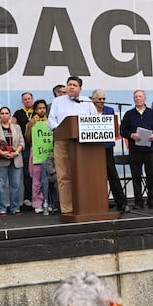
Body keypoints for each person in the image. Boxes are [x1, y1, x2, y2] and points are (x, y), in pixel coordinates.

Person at [47, 76, 97, 216]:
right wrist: (61, 129)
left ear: (80, 89)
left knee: (84, 175)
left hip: (83, 144)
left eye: (74, 85)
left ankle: (86, 205)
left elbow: (95, 120)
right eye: (69, 84)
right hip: (63, 142)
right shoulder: (57, 101)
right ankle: (67, 209)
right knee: (64, 176)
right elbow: (51, 121)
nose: (71, 87)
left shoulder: (87, 101)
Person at [120, 90, 153, 210]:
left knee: (152, 176)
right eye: (135, 97)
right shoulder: (129, 114)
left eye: (140, 96)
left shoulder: (152, 114)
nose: (138, 99)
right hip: (135, 150)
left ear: (145, 98)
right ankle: (138, 202)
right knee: (136, 177)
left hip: (151, 149)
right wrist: (131, 135)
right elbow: (123, 130)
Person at [92, 89, 127, 213]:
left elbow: (113, 129)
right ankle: (96, 202)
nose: (101, 101)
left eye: (103, 99)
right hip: (92, 148)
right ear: (93, 99)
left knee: (112, 173)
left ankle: (121, 202)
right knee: (94, 175)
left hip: (107, 147)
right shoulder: (88, 110)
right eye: (99, 99)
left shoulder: (109, 110)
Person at [0, 106, 25, 215]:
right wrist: (1, 153)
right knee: (0, 185)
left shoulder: (17, 127)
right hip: (1, 159)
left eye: (6, 113)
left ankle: (15, 208)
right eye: (2, 113)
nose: (4, 115)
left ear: (10, 115)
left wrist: (15, 153)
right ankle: (1, 209)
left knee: (15, 185)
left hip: (16, 159)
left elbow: (22, 142)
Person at [25, 99, 51, 213]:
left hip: (48, 154)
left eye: (44, 108)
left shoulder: (50, 122)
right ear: (35, 110)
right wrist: (30, 127)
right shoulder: (31, 122)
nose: (42, 110)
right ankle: (37, 203)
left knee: (49, 179)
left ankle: (48, 202)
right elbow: (28, 139)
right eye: (39, 108)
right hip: (36, 154)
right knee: (37, 180)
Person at [12, 92, 35, 207]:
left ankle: (39, 198)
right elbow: (12, 127)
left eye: (29, 99)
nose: (27, 101)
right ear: (22, 101)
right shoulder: (18, 113)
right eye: (25, 99)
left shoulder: (38, 111)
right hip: (25, 147)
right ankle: (27, 197)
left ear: (32, 99)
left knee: (38, 173)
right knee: (27, 172)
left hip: (38, 145)